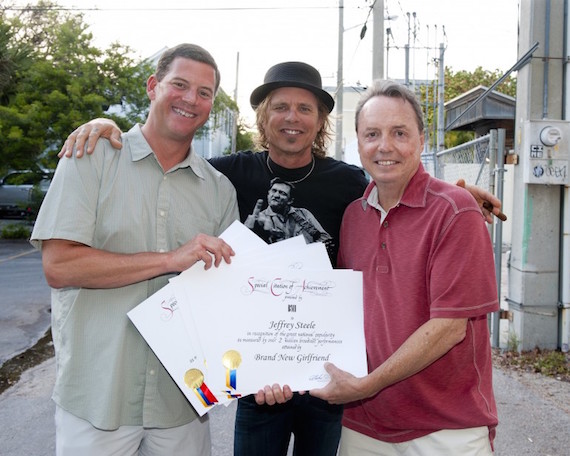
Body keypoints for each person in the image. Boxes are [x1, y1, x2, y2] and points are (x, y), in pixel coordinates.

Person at [60, 62, 504, 456]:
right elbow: (169, 158)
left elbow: (394, 180)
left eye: (305, 108)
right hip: (258, 378)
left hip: (332, 380)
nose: (292, 117)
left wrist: (458, 193)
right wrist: (106, 126)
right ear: (264, 117)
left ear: (320, 122)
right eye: (280, 107)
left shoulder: (349, 184)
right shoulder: (226, 174)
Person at [31, 43, 239, 456]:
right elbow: (59, 265)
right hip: (97, 398)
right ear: (152, 86)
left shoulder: (219, 190)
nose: (190, 99)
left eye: (204, 92)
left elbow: (228, 296)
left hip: (182, 402)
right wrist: (168, 261)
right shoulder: (91, 157)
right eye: (179, 85)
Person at [309, 79, 499, 455]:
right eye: (372, 134)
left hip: (446, 428)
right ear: (358, 143)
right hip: (364, 427)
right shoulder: (353, 216)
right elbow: (344, 314)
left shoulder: (456, 210)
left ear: (422, 140)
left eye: (400, 133)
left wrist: (365, 385)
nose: (385, 146)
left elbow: (448, 329)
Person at [244, 177, 333, 250]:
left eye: (282, 193)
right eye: (274, 191)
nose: (276, 195)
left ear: (290, 201)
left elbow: (325, 239)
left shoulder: (303, 214)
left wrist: (307, 252)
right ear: (268, 194)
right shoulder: (260, 221)